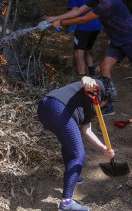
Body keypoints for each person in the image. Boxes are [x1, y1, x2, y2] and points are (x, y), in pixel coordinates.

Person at [37, 76, 115, 211]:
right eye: (106, 104)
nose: (104, 108)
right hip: (58, 108)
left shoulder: (91, 104)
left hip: (45, 107)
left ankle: (73, 176)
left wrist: (103, 148)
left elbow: (86, 130)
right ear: (105, 98)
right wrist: (89, 82)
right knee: (78, 154)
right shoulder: (98, 89)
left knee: (70, 145)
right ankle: (66, 204)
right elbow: (86, 80)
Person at [60, 0, 102, 77]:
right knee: (87, 49)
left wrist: (63, 24)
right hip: (97, 26)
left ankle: (82, 78)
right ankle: (92, 73)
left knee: (78, 53)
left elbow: (74, 12)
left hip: (84, 27)